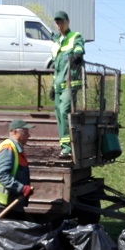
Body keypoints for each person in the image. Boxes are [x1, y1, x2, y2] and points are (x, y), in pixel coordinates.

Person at [50, 10, 85, 158]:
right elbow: (56, 68)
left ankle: (67, 148)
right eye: (57, 22)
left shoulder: (74, 36)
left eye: (61, 22)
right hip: (58, 85)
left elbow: (79, 48)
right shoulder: (55, 43)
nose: (59, 25)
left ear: (67, 22)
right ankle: (63, 145)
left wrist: (77, 54)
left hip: (70, 84)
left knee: (64, 111)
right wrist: (52, 86)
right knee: (58, 114)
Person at [0, 119, 34, 217]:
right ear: (15, 132)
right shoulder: (8, 148)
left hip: (9, 201)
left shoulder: (15, 148)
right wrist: (21, 188)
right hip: (3, 201)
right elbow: (2, 174)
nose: (29, 136)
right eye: (26, 132)